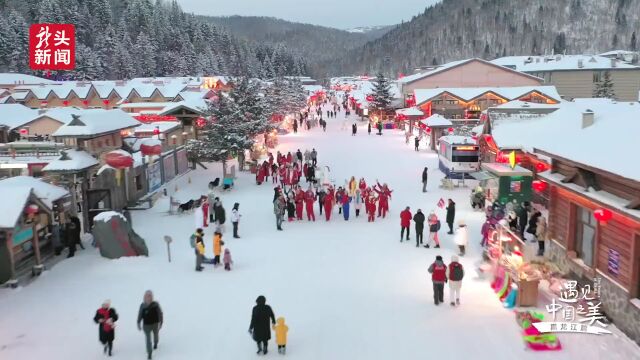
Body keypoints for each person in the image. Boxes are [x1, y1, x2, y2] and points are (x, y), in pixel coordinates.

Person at [137, 290, 163, 360]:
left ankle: (156, 342)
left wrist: (161, 322)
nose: (148, 297)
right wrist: (138, 322)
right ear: (144, 297)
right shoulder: (142, 306)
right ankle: (149, 353)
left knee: (155, 335)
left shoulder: (155, 304)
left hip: (155, 324)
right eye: (147, 296)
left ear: (152, 297)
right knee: (148, 339)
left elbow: (160, 313)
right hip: (146, 326)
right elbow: (140, 315)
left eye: (150, 296)